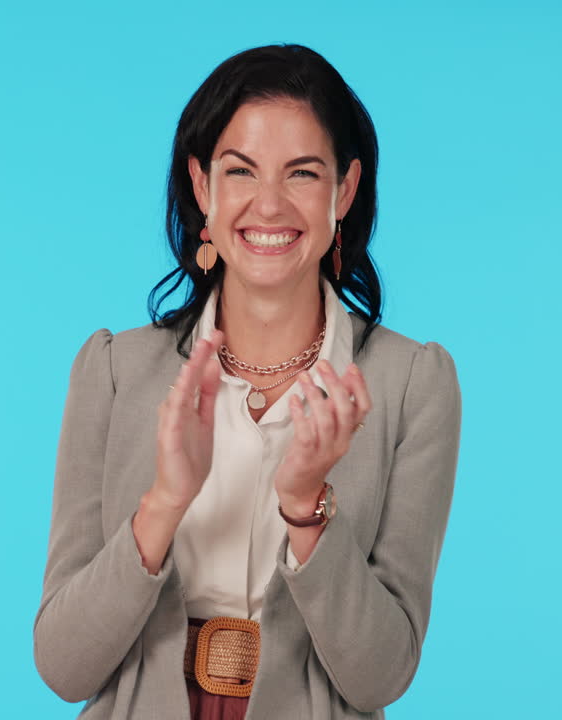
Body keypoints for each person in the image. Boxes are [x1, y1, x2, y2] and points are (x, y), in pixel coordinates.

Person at [34, 43, 462, 719]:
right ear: (203, 185)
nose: (268, 205)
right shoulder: (115, 372)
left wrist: (305, 508)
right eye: (240, 171)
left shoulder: (411, 384)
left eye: (301, 173)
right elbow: (63, 664)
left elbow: (380, 677)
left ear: (343, 191)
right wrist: (164, 502)